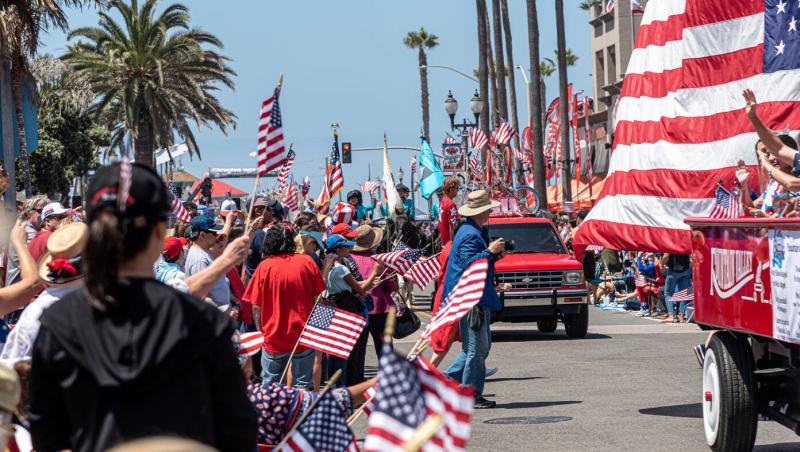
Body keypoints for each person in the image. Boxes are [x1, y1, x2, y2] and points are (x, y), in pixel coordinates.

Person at [28, 162, 257, 452]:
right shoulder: (204, 324)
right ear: (160, 231)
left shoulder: (58, 324)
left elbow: (46, 435)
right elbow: (238, 434)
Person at [443, 190, 509, 409]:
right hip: (471, 296)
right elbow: (468, 265)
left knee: (478, 348)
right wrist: (489, 252)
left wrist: (492, 255)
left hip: (473, 294)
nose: (491, 211)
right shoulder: (472, 234)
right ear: (482, 211)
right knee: (477, 349)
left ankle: (446, 384)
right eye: (489, 208)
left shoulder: (473, 231)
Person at [242, 223, 326, 388]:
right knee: (302, 385)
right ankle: (300, 413)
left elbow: (256, 306)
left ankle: (274, 413)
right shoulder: (307, 262)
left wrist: (261, 332)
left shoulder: (264, 267)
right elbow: (319, 299)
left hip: (273, 337)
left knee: (271, 386)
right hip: (303, 335)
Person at [1, 223, 87, 364]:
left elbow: (12, 368)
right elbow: (33, 283)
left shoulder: (36, 313)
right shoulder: (113, 297)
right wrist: (19, 243)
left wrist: (19, 243)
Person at [325, 234, 384, 385]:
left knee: (339, 353)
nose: (350, 248)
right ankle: (345, 388)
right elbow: (360, 290)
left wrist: (369, 282)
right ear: (338, 250)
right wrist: (375, 273)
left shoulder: (332, 266)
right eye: (346, 246)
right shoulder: (341, 269)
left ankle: (340, 386)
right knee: (349, 354)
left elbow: (354, 287)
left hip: (338, 310)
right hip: (347, 312)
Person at [349, 225, 396, 357]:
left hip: (357, 308)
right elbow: (392, 287)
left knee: (358, 353)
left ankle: (357, 378)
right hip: (380, 308)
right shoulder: (379, 260)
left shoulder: (348, 259)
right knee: (385, 350)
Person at [185, 215, 232, 312]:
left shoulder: (203, 252)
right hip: (214, 319)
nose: (216, 236)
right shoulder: (199, 259)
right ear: (202, 235)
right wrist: (224, 314)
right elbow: (202, 296)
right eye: (214, 233)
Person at [438, 176, 460, 245]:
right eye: (457, 188)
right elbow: (454, 226)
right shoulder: (450, 204)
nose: (458, 190)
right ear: (451, 189)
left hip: (444, 242)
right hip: (450, 244)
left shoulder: (443, 201)